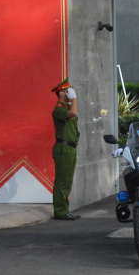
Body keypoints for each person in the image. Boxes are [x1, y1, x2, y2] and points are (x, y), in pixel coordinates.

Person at [51, 78, 80, 220]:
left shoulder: (67, 108)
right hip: (63, 148)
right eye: (68, 91)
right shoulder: (58, 110)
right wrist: (74, 98)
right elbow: (73, 113)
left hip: (70, 149)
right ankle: (60, 211)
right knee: (62, 181)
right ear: (62, 93)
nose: (70, 93)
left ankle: (64, 209)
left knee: (67, 181)